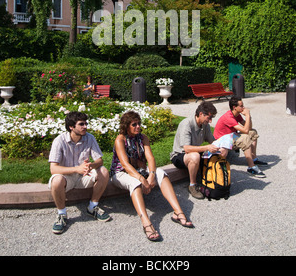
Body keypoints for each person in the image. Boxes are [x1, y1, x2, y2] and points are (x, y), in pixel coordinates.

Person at [110, 110, 194, 242]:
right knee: (135, 183)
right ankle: (146, 223)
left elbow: (150, 158)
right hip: (120, 173)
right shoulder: (120, 140)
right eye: (134, 124)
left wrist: (152, 175)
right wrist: (142, 179)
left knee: (161, 173)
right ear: (126, 126)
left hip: (140, 169)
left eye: (139, 124)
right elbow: (125, 165)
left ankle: (178, 212)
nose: (138, 126)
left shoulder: (143, 137)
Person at [48, 111, 111, 234]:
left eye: (86, 123)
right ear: (71, 127)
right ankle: (62, 214)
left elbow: (100, 160)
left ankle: (93, 207)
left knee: (103, 171)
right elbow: (53, 169)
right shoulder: (59, 141)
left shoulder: (89, 138)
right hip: (66, 178)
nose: (85, 127)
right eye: (81, 124)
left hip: (84, 176)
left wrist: (91, 165)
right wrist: (76, 169)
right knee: (56, 181)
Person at [170, 101, 227, 199]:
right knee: (195, 156)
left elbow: (212, 141)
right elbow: (187, 149)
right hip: (179, 155)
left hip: (195, 153)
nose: (210, 121)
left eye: (211, 118)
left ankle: (211, 179)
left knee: (218, 152)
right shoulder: (186, 124)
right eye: (209, 118)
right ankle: (192, 185)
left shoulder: (205, 125)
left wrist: (223, 146)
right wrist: (207, 147)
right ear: (201, 114)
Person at [213, 96, 268, 177]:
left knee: (253, 132)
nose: (243, 107)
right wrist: (247, 115)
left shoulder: (236, 114)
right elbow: (245, 131)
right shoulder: (228, 117)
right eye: (241, 106)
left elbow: (249, 128)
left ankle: (254, 159)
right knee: (245, 138)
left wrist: (248, 117)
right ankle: (251, 167)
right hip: (223, 141)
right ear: (234, 107)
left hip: (231, 137)